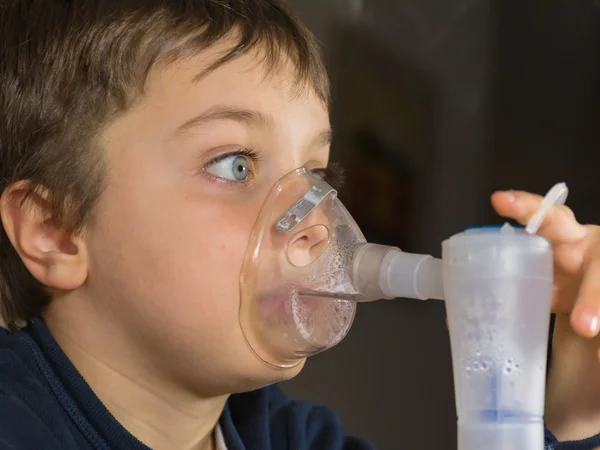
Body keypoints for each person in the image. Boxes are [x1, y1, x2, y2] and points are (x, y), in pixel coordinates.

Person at [0, 1, 598, 449]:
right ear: (55, 229)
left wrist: (572, 411)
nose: (315, 218)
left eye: (316, 171)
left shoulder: (297, 438)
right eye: (235, 165)